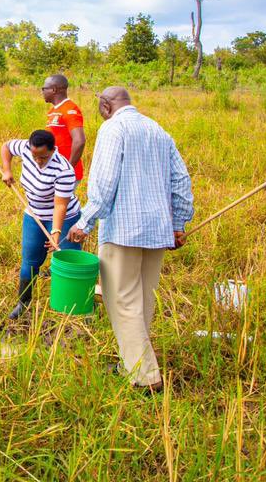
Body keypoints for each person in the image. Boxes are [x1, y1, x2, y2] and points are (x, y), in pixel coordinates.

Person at [67, 86, 194, 392]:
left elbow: (105, 181)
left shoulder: (114, 129)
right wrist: (178, 222)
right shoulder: (158, 130)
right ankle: (132, 363)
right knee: (142, 298)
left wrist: (85, 221)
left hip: (123, 230)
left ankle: (145, 376)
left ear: (106, 106)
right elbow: (181, 180)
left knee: (121, 299)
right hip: (157, 230)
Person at [0, 130, 81, 319]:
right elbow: (6, 146)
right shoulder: (27, 148)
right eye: (34, 156)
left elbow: (60, 205)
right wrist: (7, 169)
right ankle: (23, 303)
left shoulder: (64, 169)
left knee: (66, 259)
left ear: (53, 150)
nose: (37, 160)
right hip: (34, 214)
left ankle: (70, 306)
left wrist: (56, 232)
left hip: (65, 216)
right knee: (30, 259)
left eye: (43, 157)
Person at [42, 74, 85, 186]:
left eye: (44, 88)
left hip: (66, 175)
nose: (42, 92)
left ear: (53, 90)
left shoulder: (70, 110)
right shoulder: (53, 110)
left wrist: (68, 170)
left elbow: (79, 141)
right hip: (55, 171)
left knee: (60, 204)